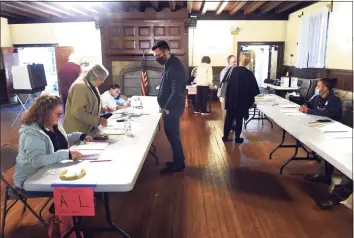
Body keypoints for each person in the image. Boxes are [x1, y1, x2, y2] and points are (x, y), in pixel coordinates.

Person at [13, 94, 91, 190]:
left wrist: (80, 136)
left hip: (50, 171)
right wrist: (67, 155)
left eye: (61, 114)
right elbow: (37, 161)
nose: (60, 117)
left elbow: (61, 140)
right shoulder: (31, 134)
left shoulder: (54, 124)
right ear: (45, 114)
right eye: (57, 114)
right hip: (31, 179)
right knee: (77, 187)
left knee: (83, 180)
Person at [299, 78, 351, 209]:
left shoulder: (335, 100)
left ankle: (335, 196)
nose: (317, 86)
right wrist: (305, 107)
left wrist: (308, 111)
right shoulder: (318, 97)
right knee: (326, 148)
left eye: (319, 85)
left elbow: (328, 114)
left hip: (334, 128)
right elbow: (309, 104)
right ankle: (324, 176)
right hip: (327, 129)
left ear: (325, 87)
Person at [152, 40, 186, 174]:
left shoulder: (175, 66)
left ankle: (178, 164)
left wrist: (166, 107)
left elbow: (176, 91)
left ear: (167, 52)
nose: (157, 58)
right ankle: (178, 160)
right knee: (172, 135)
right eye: (154, 56)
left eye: (158, 55)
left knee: (173, 135)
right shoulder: (169, 63)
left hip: (172, 108)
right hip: (169, 107)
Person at [222, 53, 259, 143]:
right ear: (248, 61)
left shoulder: (231, 70)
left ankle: (225, 137)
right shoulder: (249, 74)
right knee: (239, 118)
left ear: (240, 59)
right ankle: (237, 138)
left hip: (231, 99)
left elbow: (224, 83)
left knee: (229, 118)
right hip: (242, 101)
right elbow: (254, 90)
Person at [64, 64, 109, 134]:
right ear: (95, 76)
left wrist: (103, 108)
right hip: (77, 131)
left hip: (88, 129)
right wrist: (97, 120)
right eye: (101, 79)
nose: (103, 82)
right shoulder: (80, 86)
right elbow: (78, 112)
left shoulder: (92, 84)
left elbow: (93, 102)